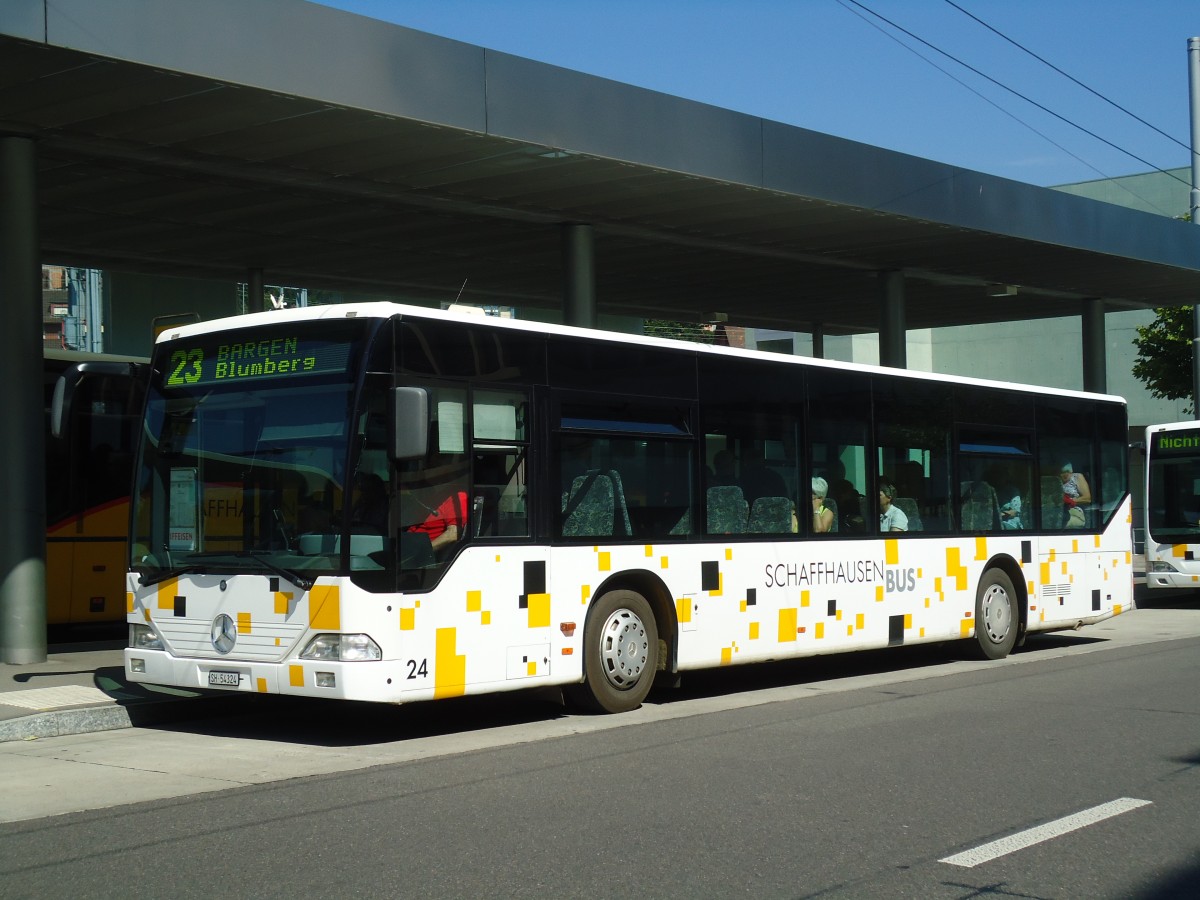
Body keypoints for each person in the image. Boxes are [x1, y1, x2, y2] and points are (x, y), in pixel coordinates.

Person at [1060, 462, 1091, 528]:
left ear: (1071, 472)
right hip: (1057, 510)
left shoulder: (1077, 477)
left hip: (1073, 511)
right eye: (1062, 472)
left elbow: (1087, 498)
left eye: (1067, 472)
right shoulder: (1054, 480)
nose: (1065, 475)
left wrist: (1069, 501)